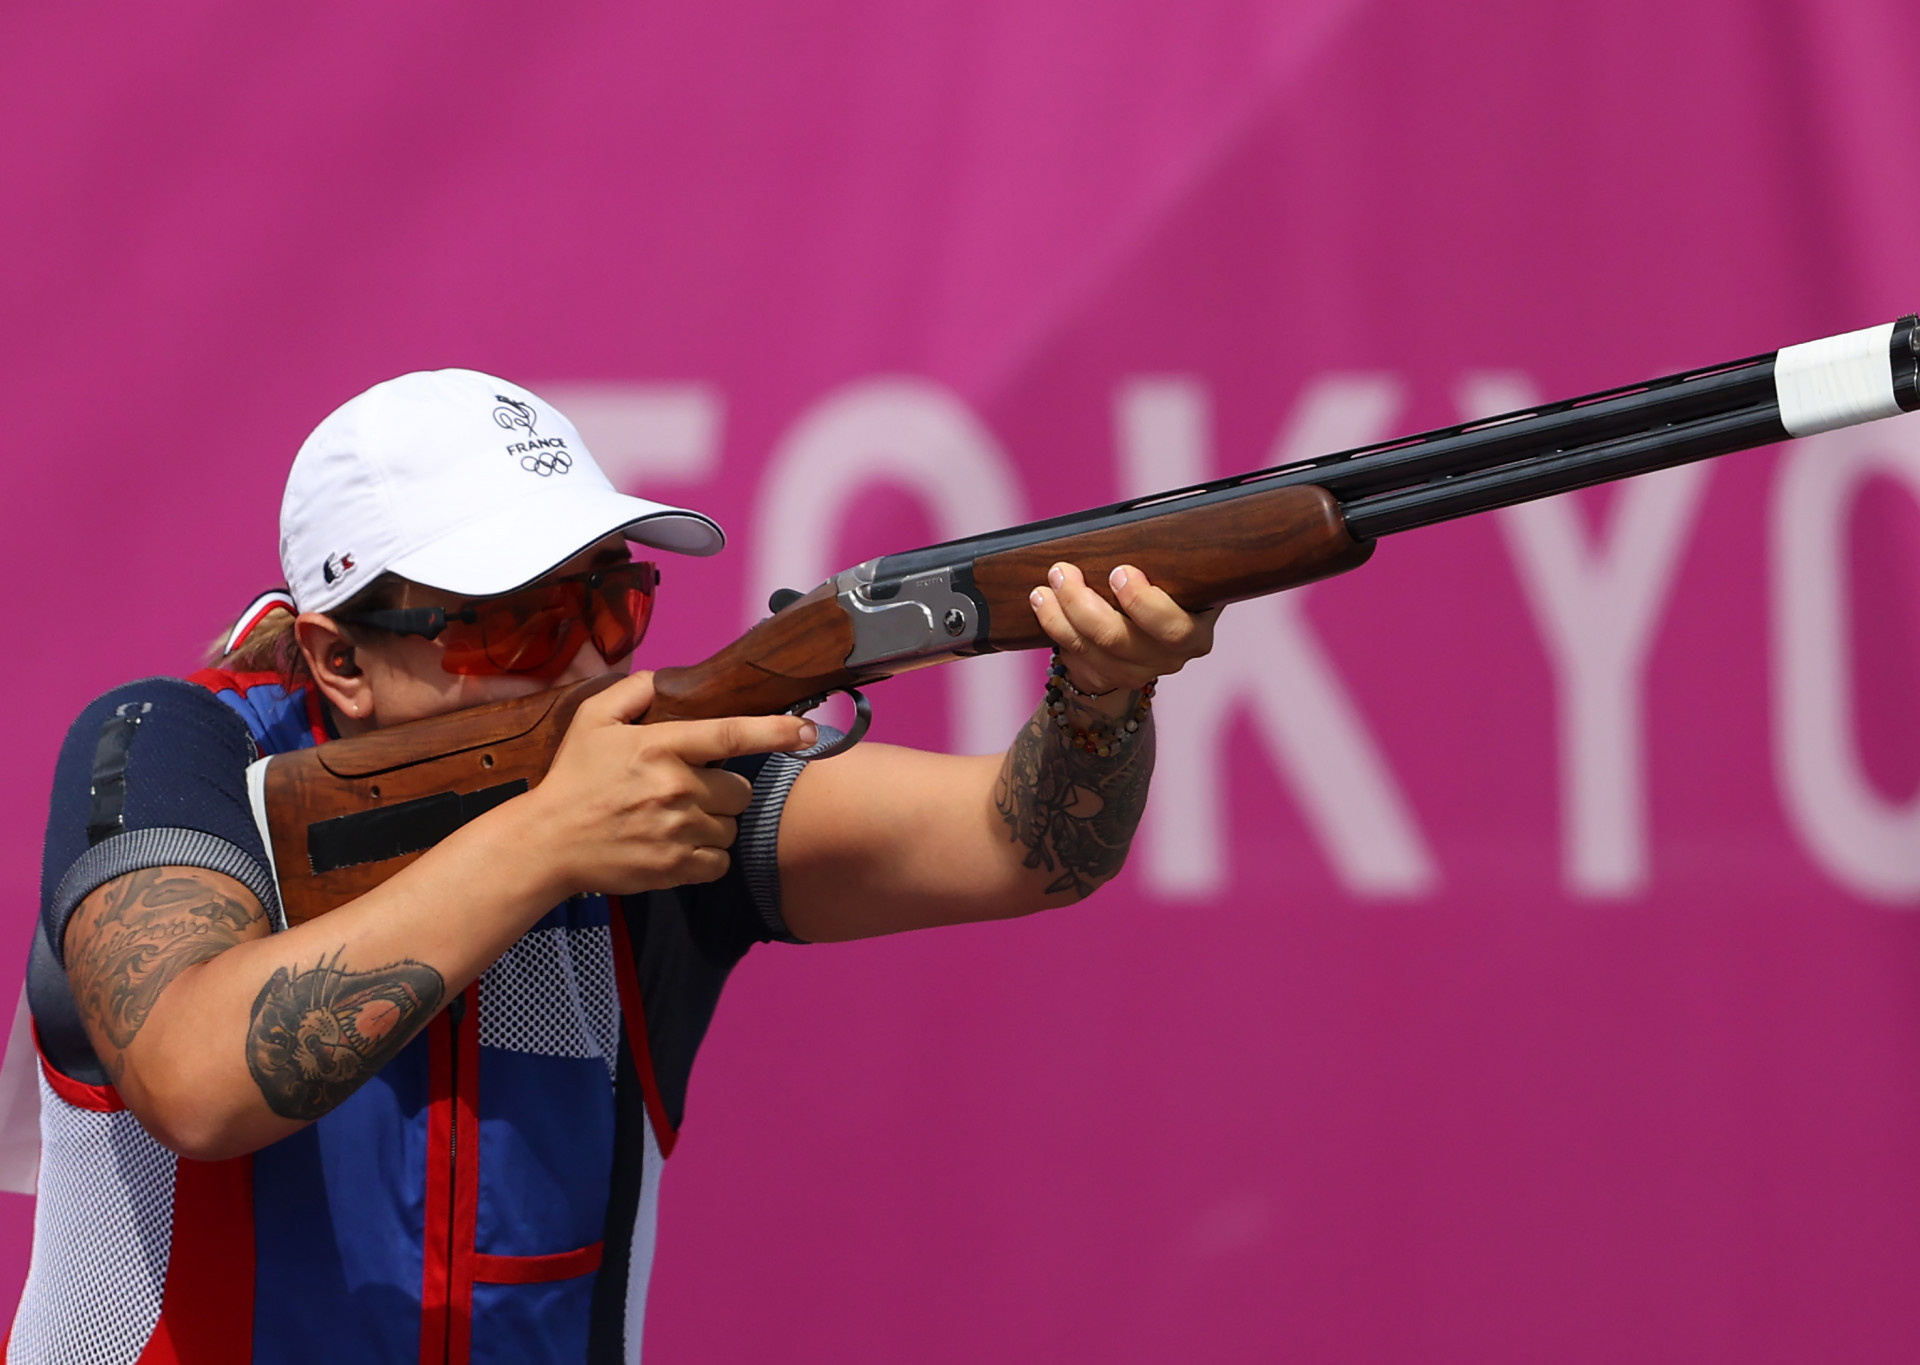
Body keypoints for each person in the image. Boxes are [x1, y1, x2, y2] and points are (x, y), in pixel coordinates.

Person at [10, 369, 1215, 1364]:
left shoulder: (645, 801)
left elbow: (1023, 848)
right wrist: (545, 843)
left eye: (610, 609)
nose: (583, 670)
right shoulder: (176, 753)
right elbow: (197, 1080)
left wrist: (1101, 697)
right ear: (337, 662)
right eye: (514, 627)